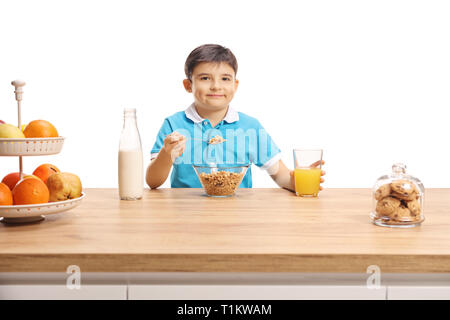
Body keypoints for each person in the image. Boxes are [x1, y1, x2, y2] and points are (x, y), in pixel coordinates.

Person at [146, 44, 325, 191]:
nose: (216, 86)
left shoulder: (250, 127)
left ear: (235, 84)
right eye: (205, 78)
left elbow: (279, 173)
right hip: (186, 213)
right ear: (188, 85)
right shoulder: (174, 125)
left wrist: (297, 181)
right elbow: (153, 182)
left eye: (225, 79)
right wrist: (166, 154)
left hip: (237, 214)